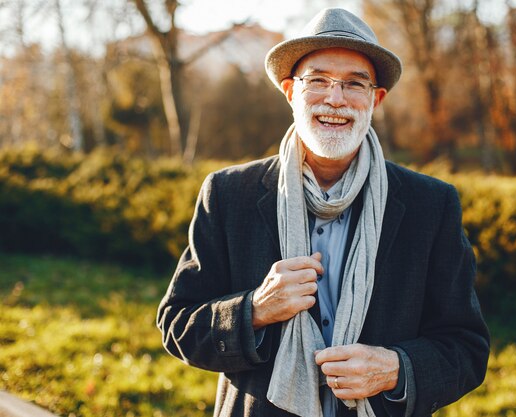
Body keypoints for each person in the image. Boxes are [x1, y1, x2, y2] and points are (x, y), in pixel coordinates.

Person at [157, 7, 489, 417]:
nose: (335, 98)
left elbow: (466, 347)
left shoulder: (430, 205)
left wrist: (396, 369)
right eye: (318, 81)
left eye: (354, 84)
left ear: (376, 99)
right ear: (290, 91)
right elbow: (178, 325)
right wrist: (255, 310)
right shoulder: (228, 194)